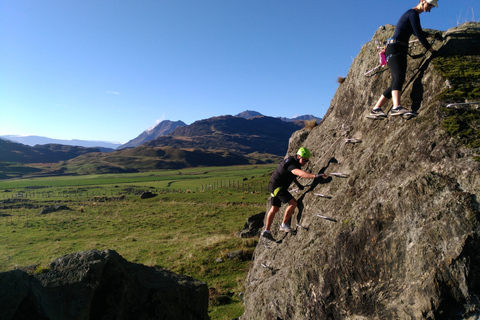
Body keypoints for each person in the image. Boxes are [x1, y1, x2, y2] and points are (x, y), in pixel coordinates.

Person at [369, 0, 438, 118]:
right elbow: (420, 35)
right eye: (430, 4)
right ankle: (396, 107)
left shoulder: (411, 15)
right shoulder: (413, 13)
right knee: (399, 77)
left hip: (396, 49)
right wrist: (432, 51)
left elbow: (417, 32)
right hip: (395, 48)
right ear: (422, 1)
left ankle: (376, 108)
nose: (430, 7)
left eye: (432, 6)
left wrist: (433, 35)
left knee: (397, 81)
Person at [262, 147, 326, 241]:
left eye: (307, 161)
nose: (305, 162)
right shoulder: (292, 164)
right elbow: (298, 173)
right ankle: (284, 225)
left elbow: (291, 175)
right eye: (304, 160)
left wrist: (298, 184)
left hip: (274, 185)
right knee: (293, 203)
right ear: (299, 156)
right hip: (279, 187)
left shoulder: (293, 161)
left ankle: (266, 231)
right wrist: (314, 176)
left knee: (275, 208)